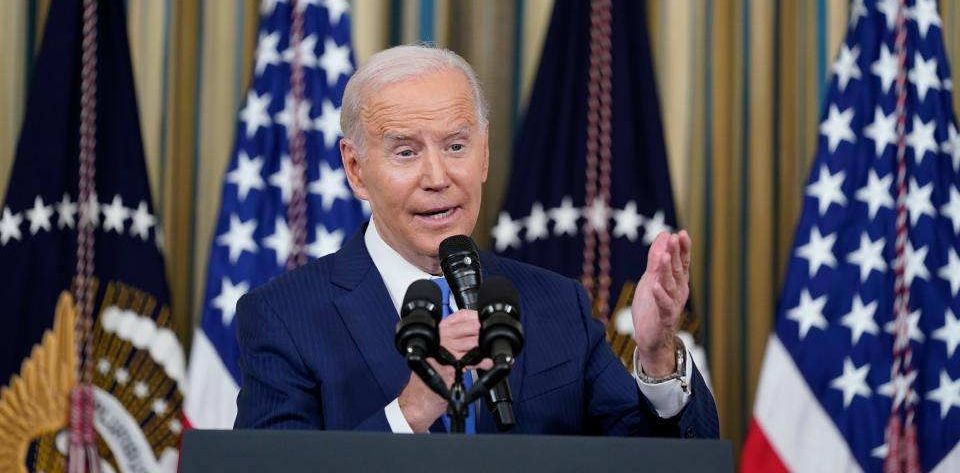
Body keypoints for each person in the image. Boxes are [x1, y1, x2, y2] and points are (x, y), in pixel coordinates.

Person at [234, 45, 718, 437]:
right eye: (405, 151)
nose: (437, 176)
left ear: (484, 155)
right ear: (356, 170)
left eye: (456, 146)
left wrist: (657, 356)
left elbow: (654, 464)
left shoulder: (558, 304)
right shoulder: (284, 317)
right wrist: (409, 413)